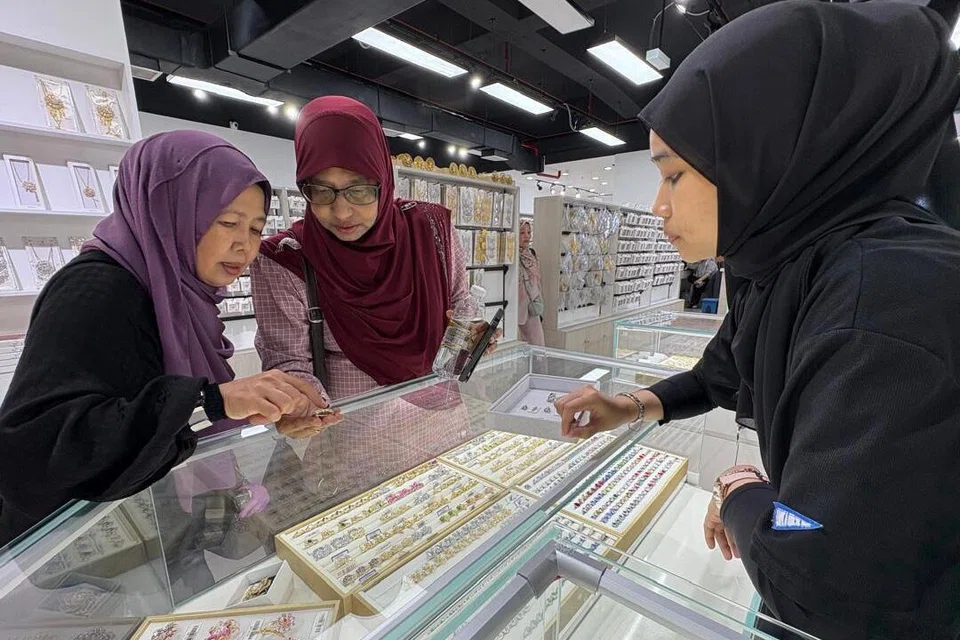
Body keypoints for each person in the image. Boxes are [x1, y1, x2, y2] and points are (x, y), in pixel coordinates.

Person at [555, 2, 960, 638]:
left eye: (674, 175)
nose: (658, 206)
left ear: (759, 156)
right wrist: (628, 406)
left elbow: (812, 567)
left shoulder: (883, 297)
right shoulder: (780, 261)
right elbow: (720, 372)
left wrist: (739, 488)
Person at [0, 131, 336, 546]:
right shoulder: (97, 290)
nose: (245, 247)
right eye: (227, 223)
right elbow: (35, 448)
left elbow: (169, 417)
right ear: (169, 210)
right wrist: (208, 401)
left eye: (255, 229)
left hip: (156, 531)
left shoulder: (185, 296)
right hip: (80, 549)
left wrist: (263, 412)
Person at [252, 96, 497, 436]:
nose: (341, 212)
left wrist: (472, 337)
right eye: (321, 190)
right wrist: (299, 406)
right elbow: (289, 362)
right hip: (355, 438)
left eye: (360, 190)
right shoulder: (286, 259)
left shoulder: (431, 229)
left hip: (443, 424)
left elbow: (460, 308)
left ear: (383, 179)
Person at [517, 220, 545, 346]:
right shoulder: (512, 257)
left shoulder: (532, 254)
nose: (527, 236)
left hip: (532, 306)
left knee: (537, 343)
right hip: (517, 308)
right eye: (522, 233)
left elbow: (538, 282)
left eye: (529, 232)